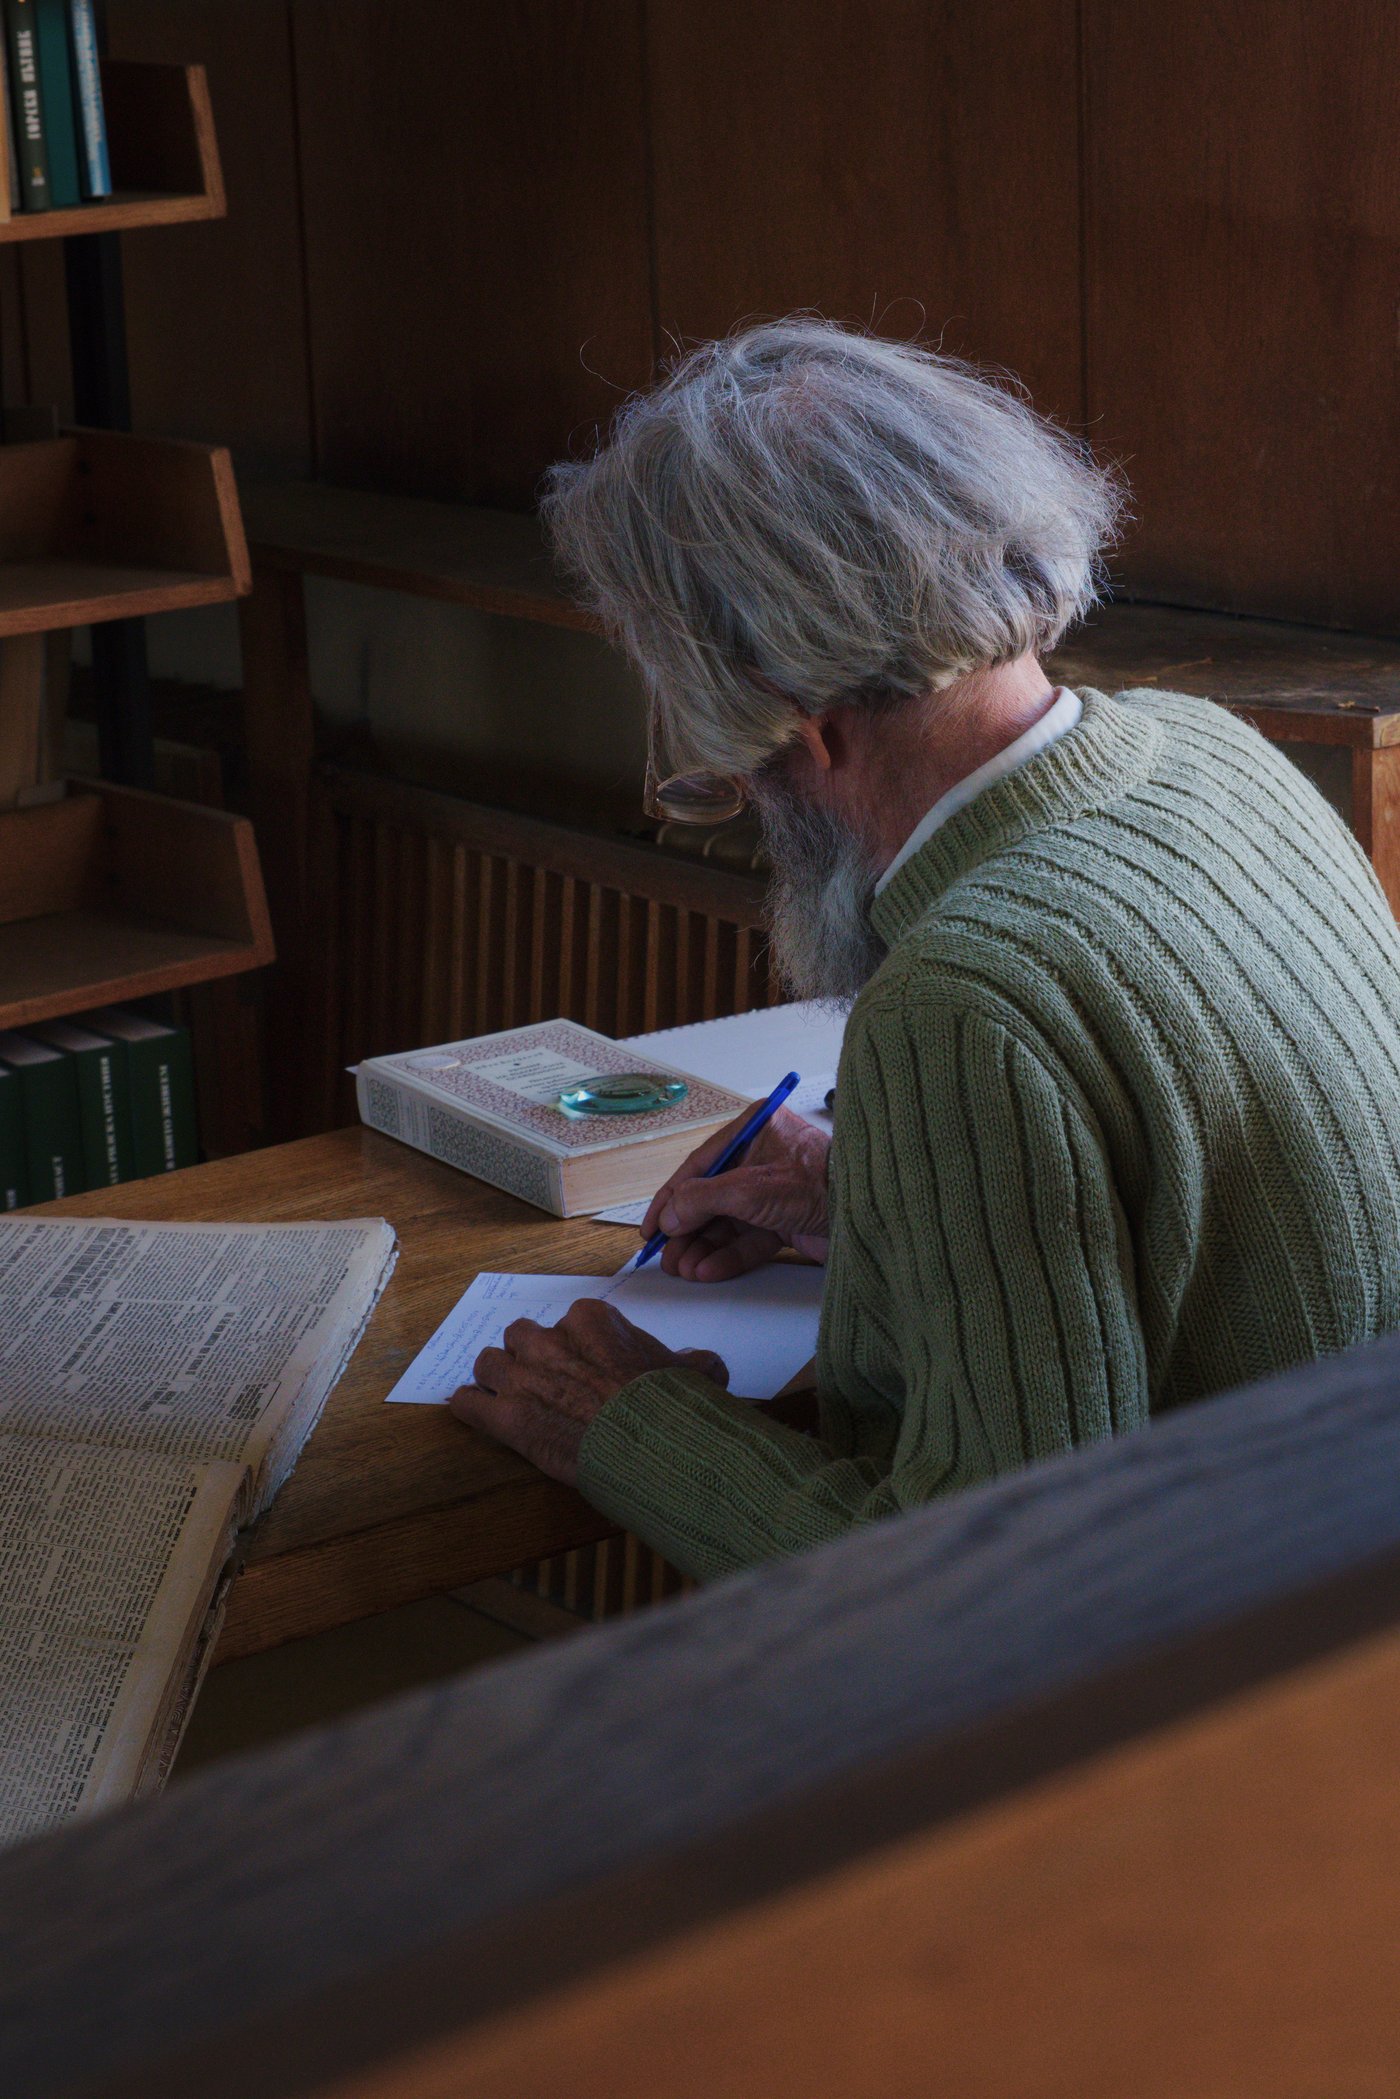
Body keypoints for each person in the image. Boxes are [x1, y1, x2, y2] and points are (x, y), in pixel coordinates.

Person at [449, 319, 1400, 1580]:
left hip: (1265, 1692)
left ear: (791, 716)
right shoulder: (1206, 748)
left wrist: (623, 1423)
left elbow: (994, 1593)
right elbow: (1207, 1216)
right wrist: (876, 1196)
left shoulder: (960, 1003)